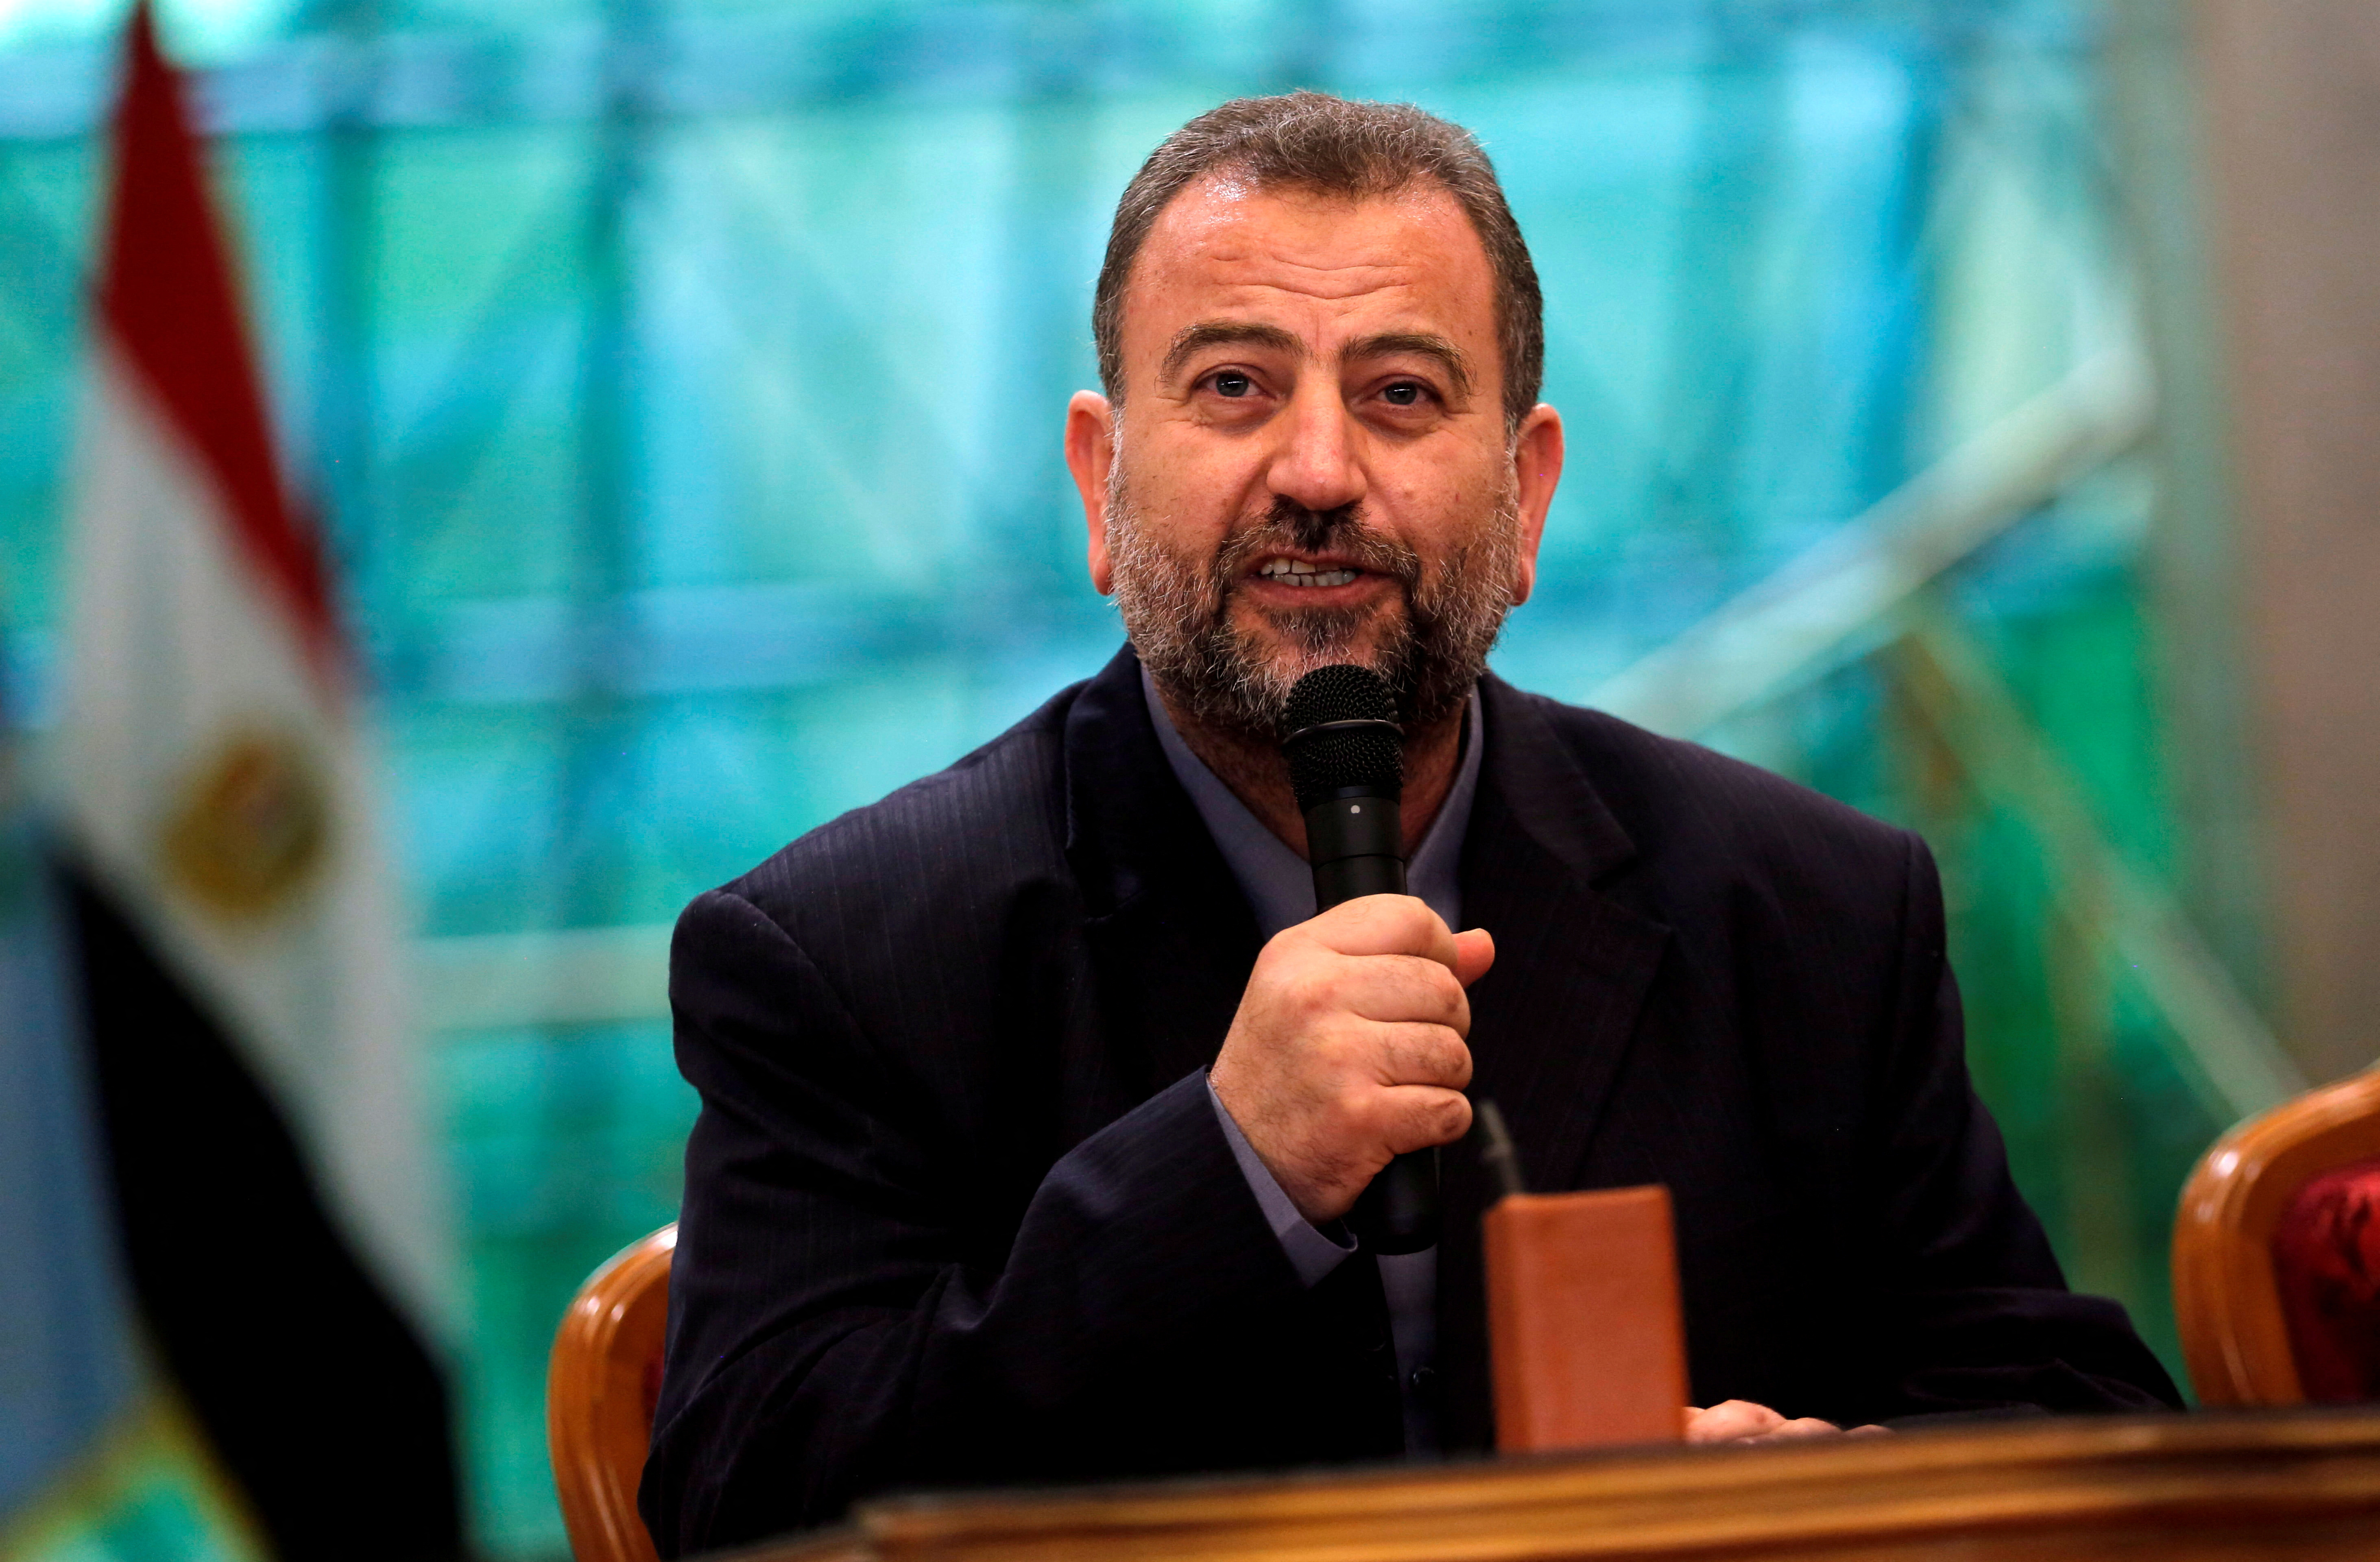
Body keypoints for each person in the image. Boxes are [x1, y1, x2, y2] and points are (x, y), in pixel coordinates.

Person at [639, 91, 2180, 1556]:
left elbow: (2079, 1423)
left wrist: (1844, 1494)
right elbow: (749, 1501)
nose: (1318, 473)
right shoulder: (839, 955)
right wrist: (1225, 1168)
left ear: (1525, 495)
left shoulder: (1812, 907)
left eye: (1400, 395)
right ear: (1101, 487)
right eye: (1235, 386)